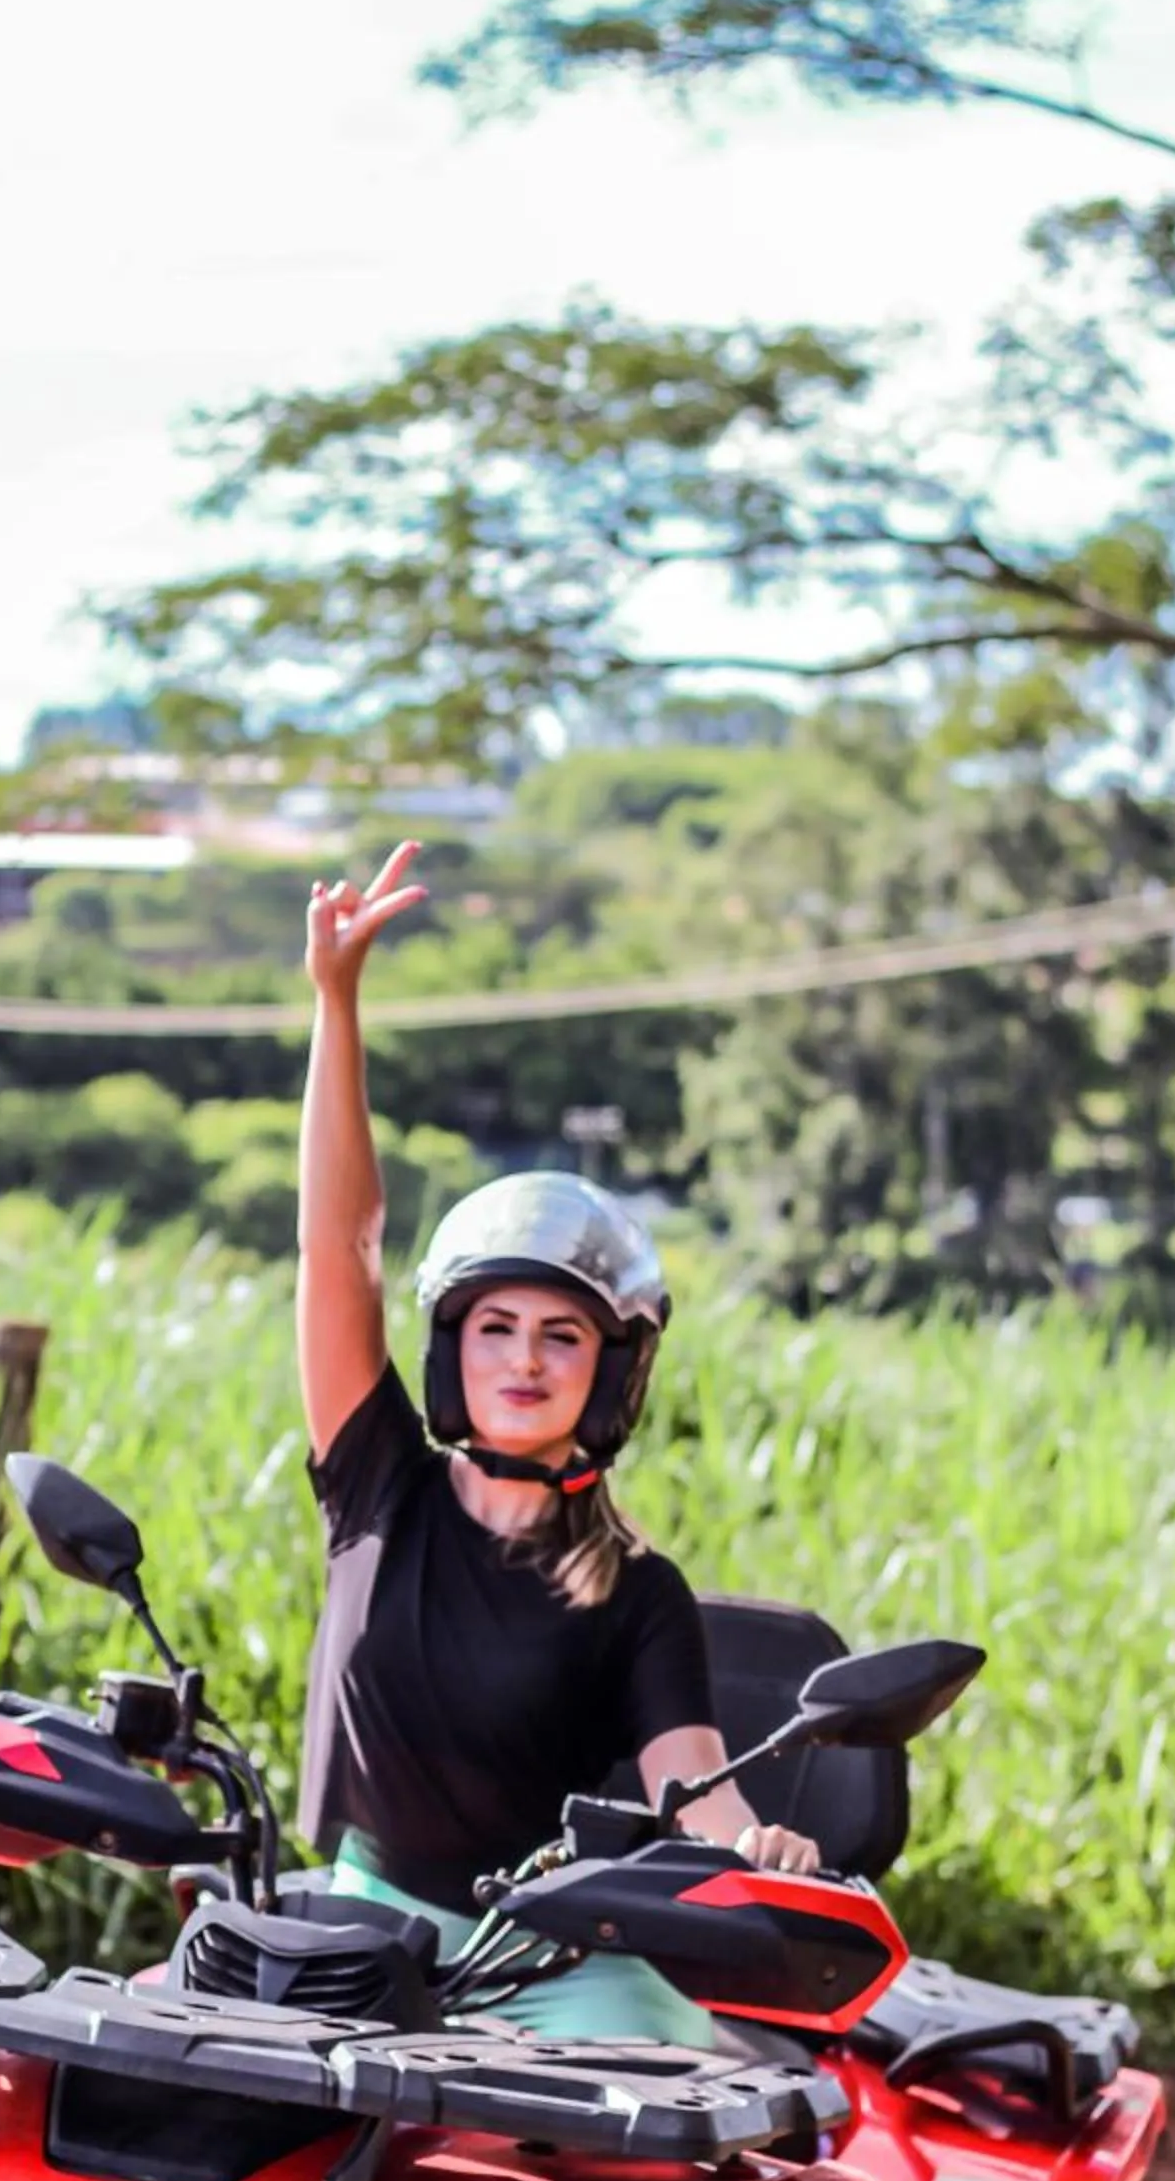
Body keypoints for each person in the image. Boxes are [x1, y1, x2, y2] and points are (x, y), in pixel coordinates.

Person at [295, 839, 820, 2048]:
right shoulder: (379, 1487)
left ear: (609, 1374)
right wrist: (336, 1002)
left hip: (543, 1966)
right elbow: (340, 1246)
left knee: (736, 2116)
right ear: (451, 1350)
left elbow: (693, 1786)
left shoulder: (636, 1595)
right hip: (354, 1936)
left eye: (559, 1337)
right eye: (493, 1328)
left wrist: (760, 1848)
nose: (522, 1361)